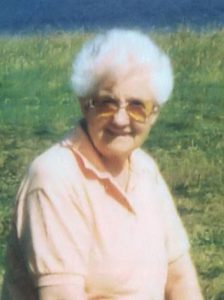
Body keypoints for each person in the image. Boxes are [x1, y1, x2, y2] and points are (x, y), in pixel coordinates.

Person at [1, 29, 203, 300]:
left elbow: (180, 281)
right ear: (85, 104)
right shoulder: (54, 178)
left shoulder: (145, 170)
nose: (120, 119)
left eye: (136, 106)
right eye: (106, 103)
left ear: (154, 113)